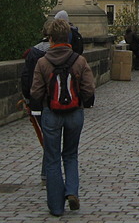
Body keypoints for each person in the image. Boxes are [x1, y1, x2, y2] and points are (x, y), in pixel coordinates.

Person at [30, 18, 96, 216]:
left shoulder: (42, 62)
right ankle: (72, 191)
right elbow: (89, 89)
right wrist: (81, 101)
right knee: (71, 154)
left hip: (51, 113)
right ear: (67, 38)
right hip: (75, 113)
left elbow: (35, 92)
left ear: (50, 39)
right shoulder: (79, 60)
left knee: (52, 159)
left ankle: (56, 207)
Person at [20, 22, 52, 185]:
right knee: (53, 137)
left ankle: (47, 174)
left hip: (37, 100)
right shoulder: (64, 52)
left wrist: (28, 99)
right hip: (57, 101)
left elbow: (26, 78)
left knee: (47, 136)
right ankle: (49, 173)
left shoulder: (33, 52)